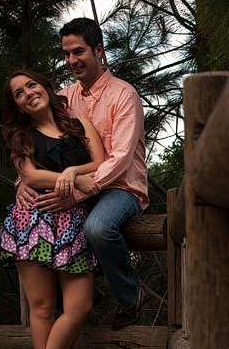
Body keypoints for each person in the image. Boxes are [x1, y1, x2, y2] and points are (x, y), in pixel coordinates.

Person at [15, 17, 149, 331]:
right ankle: (80, 297)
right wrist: (23, 181)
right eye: (66, 54)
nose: (72, 60)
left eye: (79, 51)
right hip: (73, 186)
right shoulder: (64, 98)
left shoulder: (124, 95)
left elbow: (120, 158)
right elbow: (39, 141)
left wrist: (75, 194)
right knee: (17, 233)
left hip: (120, 187)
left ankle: (131, 297)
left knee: (99, 228)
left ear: (98, 50)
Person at [0, 70, 105, 349]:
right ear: (17, 106)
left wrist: (72, 169)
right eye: (18, 93)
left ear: (46, 87)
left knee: (79, 306)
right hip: (33, 221)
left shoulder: (80, 125)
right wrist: (75, 177)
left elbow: (100, 163)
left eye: (31, 85)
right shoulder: (19, 136)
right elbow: (29, 176)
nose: (28, 93)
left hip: (73, 221)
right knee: (42, 308)